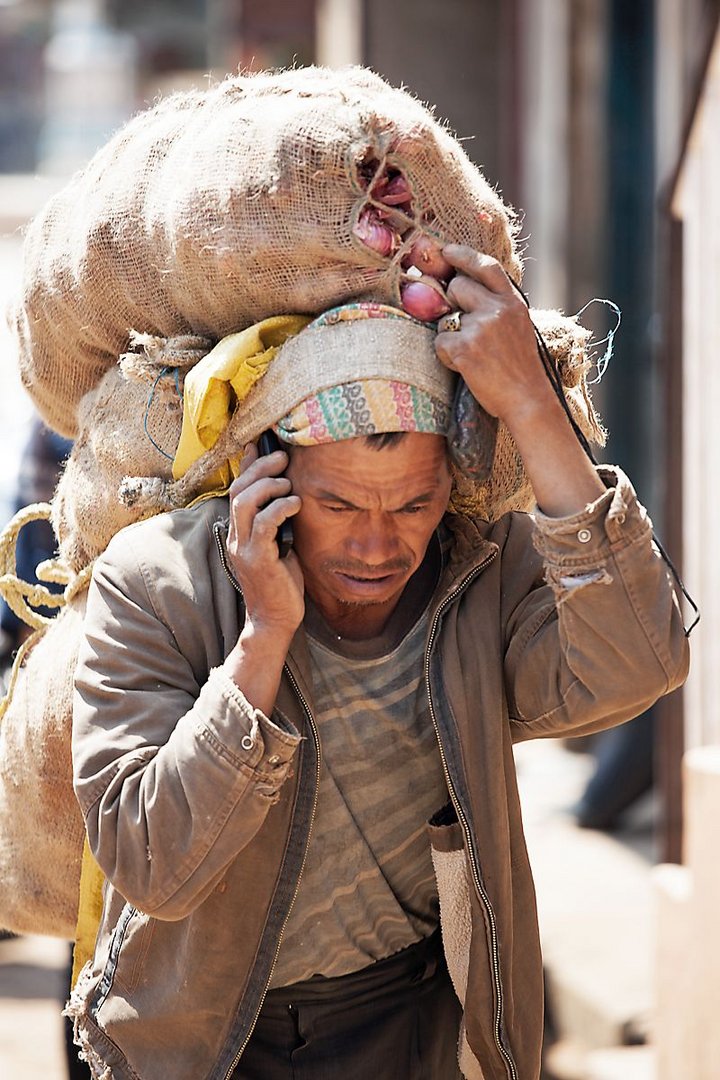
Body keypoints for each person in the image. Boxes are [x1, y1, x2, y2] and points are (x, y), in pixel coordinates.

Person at [67, 247, 689, 1080]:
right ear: (267, 480)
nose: (375, 545)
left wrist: (532, 405)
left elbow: (640, 662)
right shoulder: (157, 582)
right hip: (205, 1044)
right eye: (338, 504)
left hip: (406, 1028)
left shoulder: (476, 573)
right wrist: (262, 639)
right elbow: (151, 866)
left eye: (413, 504)